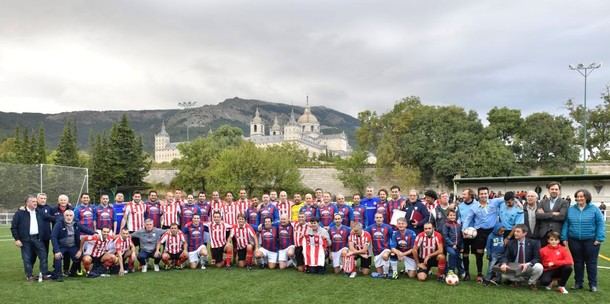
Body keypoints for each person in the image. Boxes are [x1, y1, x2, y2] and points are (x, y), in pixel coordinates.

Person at [561, 189, 605, 292]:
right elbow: (566, 224)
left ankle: (593, 284)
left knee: (591, 263)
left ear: (587, 197)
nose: (579, 198)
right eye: (578, 196)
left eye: (582, 196)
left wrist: (599, 238)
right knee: (578, 262)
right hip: (574, 240)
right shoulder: (571, 209)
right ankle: (578, 283)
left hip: (591, 240)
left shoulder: (594, 209)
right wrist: (564, 237)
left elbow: (600, 223)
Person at [463, 186, 505, 283]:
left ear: (488, 194)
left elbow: (507, 197)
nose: (483, 195)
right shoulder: (474, 207)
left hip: (493, 231)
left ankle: (494, 275)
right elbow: (468, 219)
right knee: (479, 253)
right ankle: (479, 274)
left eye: (485, 193)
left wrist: (518, 202)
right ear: (478, 195)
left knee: (495, 254)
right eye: (481, 194)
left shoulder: (495, 202)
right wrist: (464, 230)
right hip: (480, 232)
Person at [11, 195, 51, 281]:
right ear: (27, 203)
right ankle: (29, 276)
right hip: (25, 240)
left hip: (37, 238)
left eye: (36, 201)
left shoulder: (39, 212)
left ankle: (44, 274)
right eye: (33, 202)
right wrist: (17, 239)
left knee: (43, 255)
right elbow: (14, 227)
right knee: (27, 258)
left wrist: (63, 218)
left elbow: (50, 218)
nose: (35, 203)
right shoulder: (19, 213)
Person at [50, 209, 95, 281]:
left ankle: (72, 272)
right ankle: (58, 275)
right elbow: (53, 237)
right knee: (58, 257)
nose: (69, 217)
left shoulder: (76, 223)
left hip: (73, 246)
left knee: (79, 256)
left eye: (70, 215)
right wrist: (57, 250)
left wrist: (95, 233)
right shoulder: (59, 224)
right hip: (62, 246)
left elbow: (85, 229)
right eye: (67, 215)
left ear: (73, 217)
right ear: (64, 216)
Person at [498, 224, 543, 290]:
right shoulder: (510, 243)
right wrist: (504, 264)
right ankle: (519, 280)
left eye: (518, 231)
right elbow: (505, 256)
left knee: (539, 267)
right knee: (503, 276)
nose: (515, 233)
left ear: (524, 233)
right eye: (515, 231)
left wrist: (527, 264)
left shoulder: (534, 243)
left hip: (527, 267)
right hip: (515, 268)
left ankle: (531, 283)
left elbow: (537, 258)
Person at [537, 182, 569, 247]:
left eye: (556, 189)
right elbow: (538, 216)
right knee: (544, 254)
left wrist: (545, 214)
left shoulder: (564, 202)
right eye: (552, 189)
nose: (554, 191)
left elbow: (562, 216)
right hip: (544, 233)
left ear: (559, 191)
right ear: (549, 190)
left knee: (557, 255)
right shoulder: (542, 202)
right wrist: (552, 213)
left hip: (557, 233)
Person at [458, 188, 477, 280]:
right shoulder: (460, 206)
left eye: (464, 194)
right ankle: (467, 273)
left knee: (478, 253)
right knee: (465, 254)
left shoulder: (477, 205)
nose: (462, 196)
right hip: (464, 233)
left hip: (475, 234)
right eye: (462, 194)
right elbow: (459, 218)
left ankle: (479, 274)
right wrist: (462, 229)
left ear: (470, 195)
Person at [366, 213, 393, 278]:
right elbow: (364, 234)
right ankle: (387, 268)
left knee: (385, 256)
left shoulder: (388, 227)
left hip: (386, 249)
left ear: (383, 218)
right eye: (377, 217)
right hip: (376, 252)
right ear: (374, 219)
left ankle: (387, 271)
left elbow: (393, 238)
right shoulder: (370, 227)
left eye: (380, 217)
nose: (379, 219)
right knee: (379, 273)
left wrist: (392, 249)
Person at [441, 209, 463, 276]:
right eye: (450, 215)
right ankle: (451, 270)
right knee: (453, 254)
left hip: (457, 246)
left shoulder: (458, 225)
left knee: (458, 257)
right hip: (449, 245)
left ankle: (461, 271)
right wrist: (452, 244)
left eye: (454, 215)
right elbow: (445, 236)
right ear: (447, 216)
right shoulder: (446, 225)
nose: (452, 216)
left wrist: (462, 247)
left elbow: (461, 237)